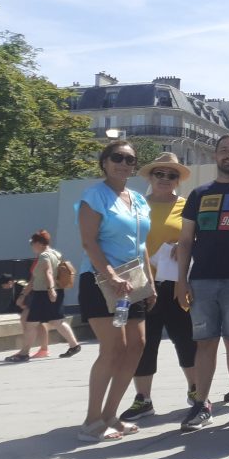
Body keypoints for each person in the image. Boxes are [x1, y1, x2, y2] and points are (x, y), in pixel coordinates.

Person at [174, 135, 229, 431]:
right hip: (203, 280)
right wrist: (181, 280)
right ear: (216, 155)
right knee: (204, 344)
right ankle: (201, 404)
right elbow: (185, 241)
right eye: (224, 151)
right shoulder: (198, 194)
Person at [76, 139, 153, 441]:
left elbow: (142, 244)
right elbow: (89, 242)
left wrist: (150, 282)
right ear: (104, 162)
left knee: (137, 345)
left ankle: (111, 414)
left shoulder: (138, 199)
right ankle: (92, 420)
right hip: (100, 281)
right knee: (113, 347)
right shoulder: (93, 197)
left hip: (133, 281)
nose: (124, 163)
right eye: (117, 157)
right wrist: (110, 276)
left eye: (130, 160)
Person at [120, 153, 197, 422]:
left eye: (171, 175)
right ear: (151, 177)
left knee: (186, 338)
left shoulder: (188, 206)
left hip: (177, 283)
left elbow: (197, 239)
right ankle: (143, 399)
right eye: (159, 174)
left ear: (178, 179)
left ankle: (197, 391)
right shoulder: (136, 205)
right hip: (141, 284)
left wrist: (185, 245)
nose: (165, 179)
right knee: (143, 342)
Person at [4, 231, 81, 362]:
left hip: (43, 294)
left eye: (32, 243)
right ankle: (74, 345)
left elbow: (48, 273)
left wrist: (50, 289)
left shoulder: (44, 256)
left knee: (30, 324)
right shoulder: (56, 254)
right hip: (56, 291)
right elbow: (35, 279)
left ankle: (24, 353)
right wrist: (24, 294)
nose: (31, 246)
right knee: (57, 321)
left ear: (39, 243)